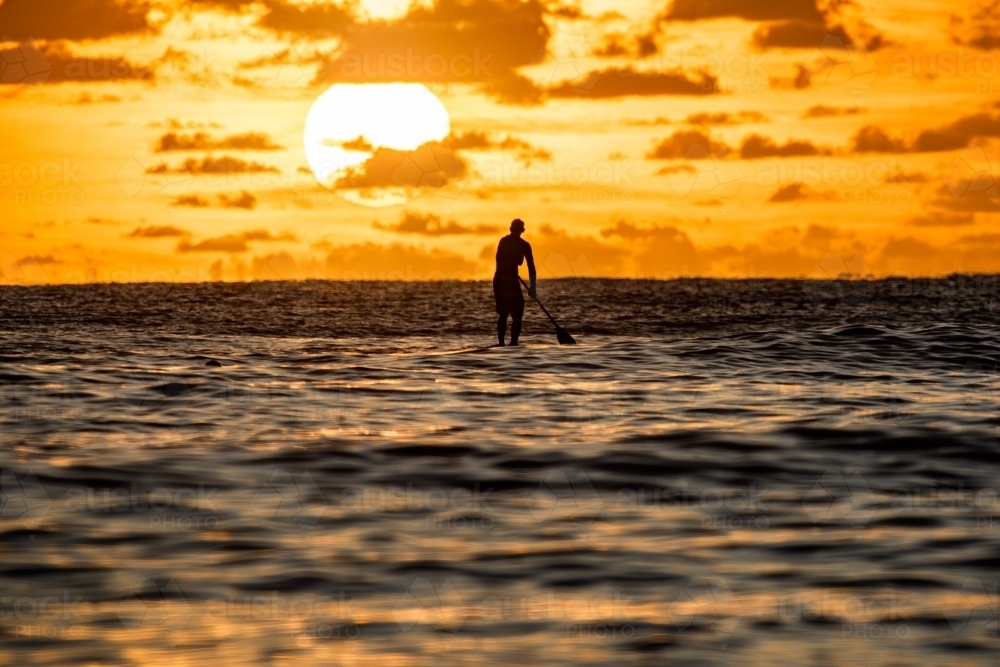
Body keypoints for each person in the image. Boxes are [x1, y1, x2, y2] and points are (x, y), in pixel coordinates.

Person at [493, 218, 536, 346]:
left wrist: (532, 288)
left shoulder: (525, 245)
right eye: (515, 230)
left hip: (510, 280)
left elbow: (531, 267)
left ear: (521, 231)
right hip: (502, 280)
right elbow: (501, 261)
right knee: (504, 312)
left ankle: (513, 343)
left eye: (519, 231)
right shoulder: (504, 242)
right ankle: (501, 343)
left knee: (517, 314)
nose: (516, 233)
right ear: (511, 230)